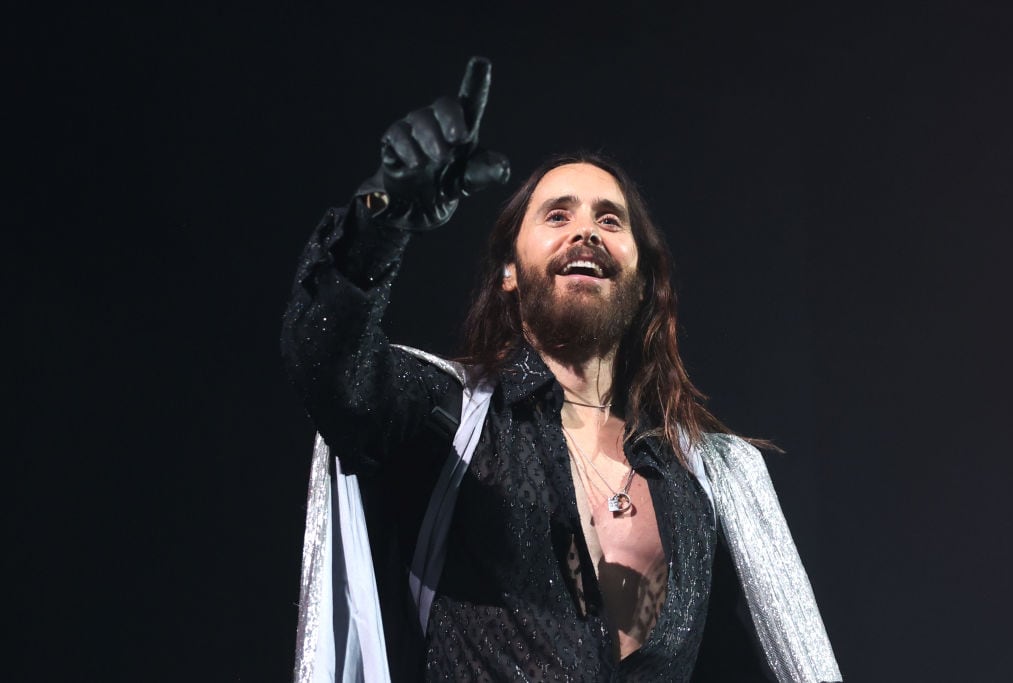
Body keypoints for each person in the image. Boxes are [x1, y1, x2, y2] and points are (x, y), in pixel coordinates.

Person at [282, 57, 842, 683]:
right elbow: (330, 370)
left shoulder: (707, 478)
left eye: (610, 219)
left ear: (644, 279)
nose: (586, 232)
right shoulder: (451, 420)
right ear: (510, 272)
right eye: (557, 215)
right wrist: (377, 221)